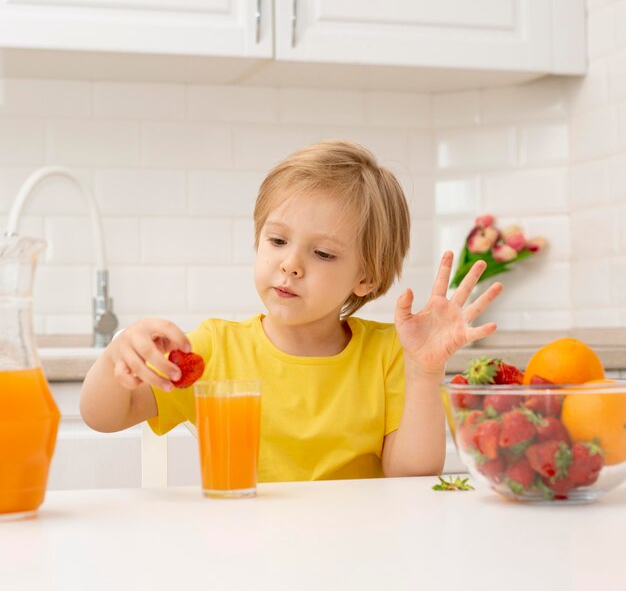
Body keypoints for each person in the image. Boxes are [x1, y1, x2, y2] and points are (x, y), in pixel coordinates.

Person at [80, 140, 502, 482]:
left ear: (366, 279)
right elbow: (101, 417)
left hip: (362, 550)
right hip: (246, 545)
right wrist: (119, 357)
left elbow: (411, 473)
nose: (291, 264)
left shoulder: (391, 353)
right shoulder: (214, 347)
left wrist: (426, 371)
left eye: (321, 253)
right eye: (277, 241)